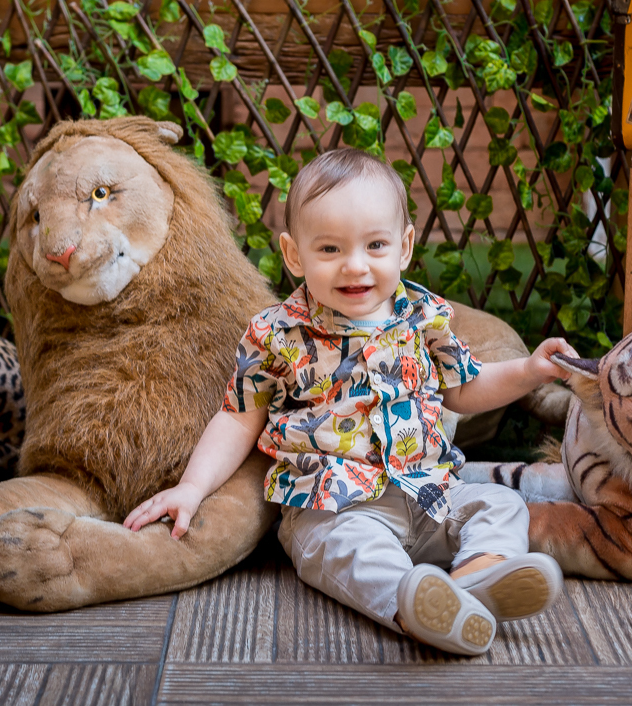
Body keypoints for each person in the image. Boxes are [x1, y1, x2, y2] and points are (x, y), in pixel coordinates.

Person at [124, 147, 570, 656]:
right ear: (295, 255)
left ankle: (478, 576)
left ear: (404, 246)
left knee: (500, 504)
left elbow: (465, 388)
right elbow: (236, 417)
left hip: (428, 495)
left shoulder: (422, 316)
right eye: (330, 249)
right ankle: (415, 609)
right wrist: (191, 487)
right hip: (333, 509)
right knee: (350, 555)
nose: (355, 266)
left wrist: (531, 371)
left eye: (375, 245)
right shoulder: (276, 334)